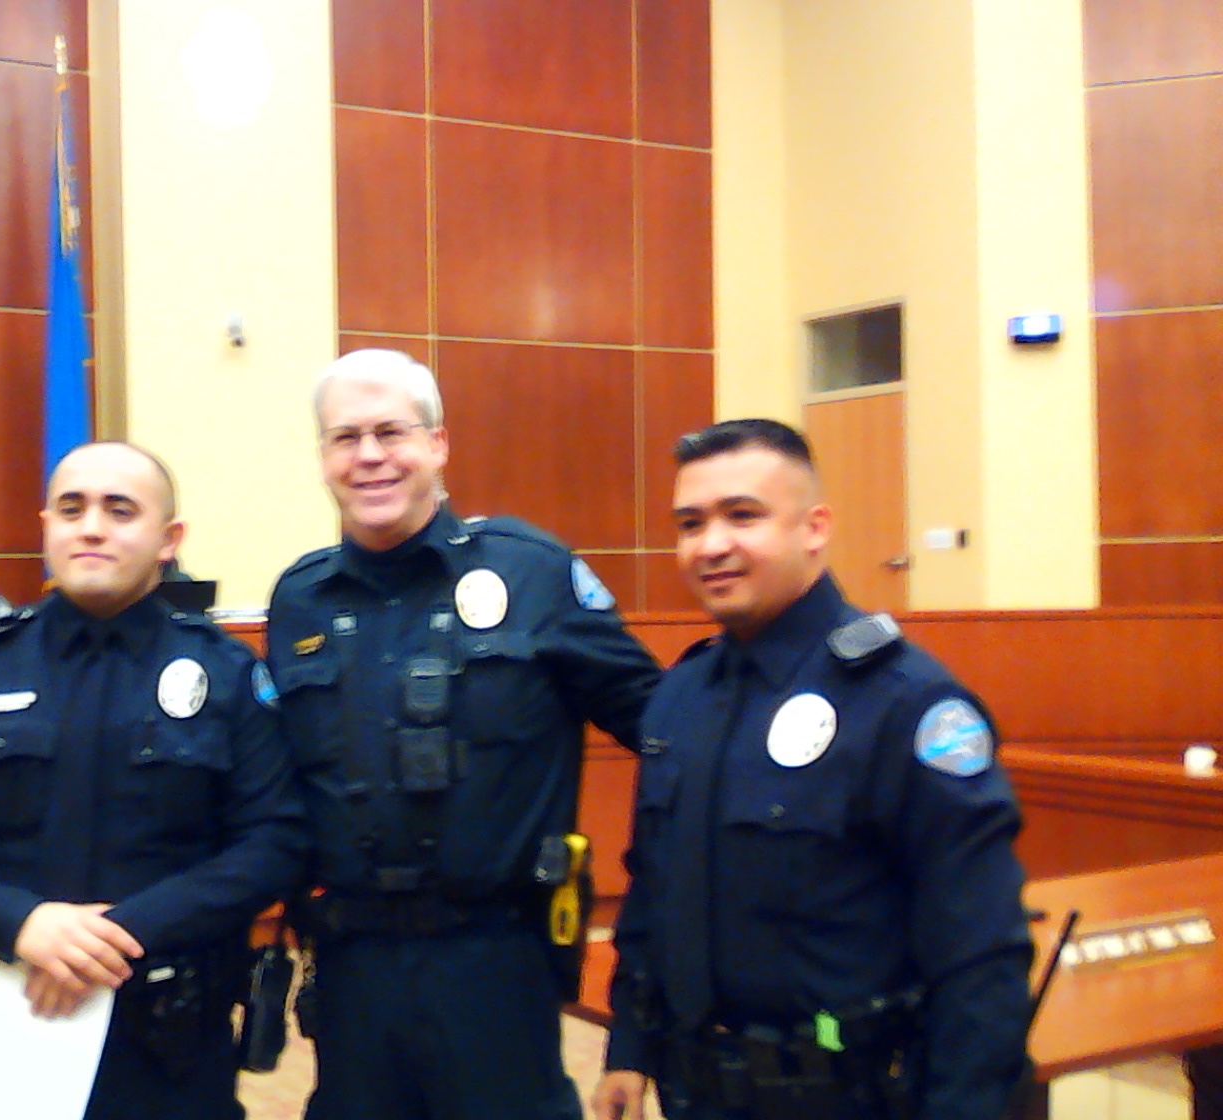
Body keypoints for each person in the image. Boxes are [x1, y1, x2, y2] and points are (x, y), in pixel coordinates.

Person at [592, 419, 1033, 1120]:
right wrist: (629, 1046)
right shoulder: (680, 696)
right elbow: (655, 891)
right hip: (700, 1093)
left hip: (851, 1097)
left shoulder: (906, 703)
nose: (712, 546)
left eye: (743, 516)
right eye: (690, 522)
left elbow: (980, 956)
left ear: (814, 528)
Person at [266, 348, 663, 1120]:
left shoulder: (533, 575)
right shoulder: (300, 601)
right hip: (351, 968)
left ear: (439, 444)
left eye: (392, 431)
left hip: (498, 962)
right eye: (346, 437)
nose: (371, 455)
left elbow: (669, 732)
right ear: (323, 458)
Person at [0, 441, 305, 1120]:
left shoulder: (227, 675)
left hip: (165, 1037)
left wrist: (115, 937)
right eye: (72, 509)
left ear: (168, 539)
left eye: (120, 509)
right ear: (47, 527)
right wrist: (24, 925)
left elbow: (275, 843)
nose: (92, 526)